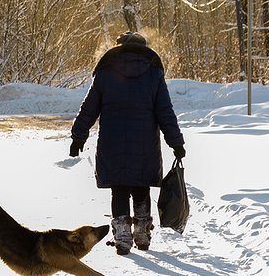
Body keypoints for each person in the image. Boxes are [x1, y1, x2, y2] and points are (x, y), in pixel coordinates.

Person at [69, 32, 185, 255]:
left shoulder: (106, 71)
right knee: (140, 187)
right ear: (144, 48)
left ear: (119, 48)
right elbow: (165, 112)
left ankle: (122, 237)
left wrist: (78, 137)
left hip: (113, 143)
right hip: (145, 144)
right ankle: (142, 232)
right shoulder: (153, 72)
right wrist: (176, 143)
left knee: (119, 189)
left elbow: (89, 108)